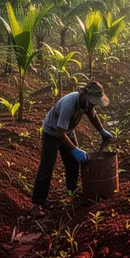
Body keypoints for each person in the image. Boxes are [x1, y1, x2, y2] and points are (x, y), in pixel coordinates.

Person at [30, 81, 113, 216]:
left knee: (73, 163)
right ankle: (36, 204)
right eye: (92, 102)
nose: (93, 105)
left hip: (67, 131)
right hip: (52, 132)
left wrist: (102, 131)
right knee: (47, 167)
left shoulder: (86, 103)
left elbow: (93, 116)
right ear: (84, 97)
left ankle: (72, 193)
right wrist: (75, 150)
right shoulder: (69, 105)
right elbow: (59, 132)